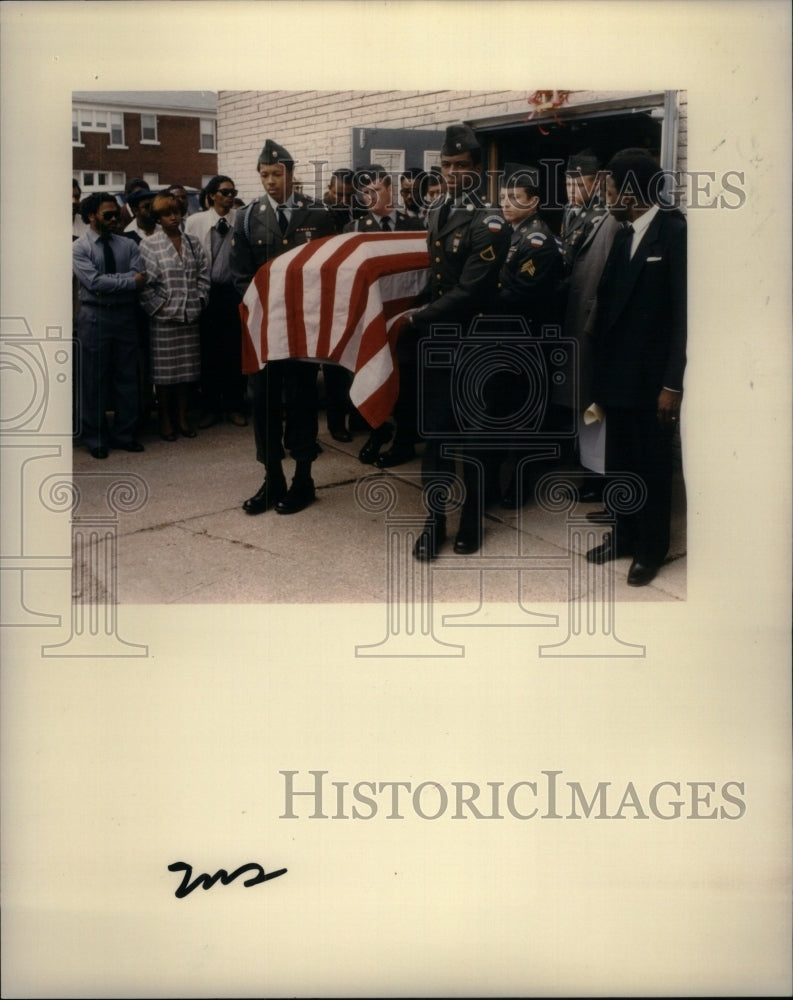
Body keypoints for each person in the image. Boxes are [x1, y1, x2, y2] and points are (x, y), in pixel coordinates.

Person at [402, 124, 511, 559]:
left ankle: (471, 520)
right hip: (441, 342)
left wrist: (419, 317)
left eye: (461, 166)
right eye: (446, 165)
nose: (452, 173)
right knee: (438, 437)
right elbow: (438, 277)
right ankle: (434, 521)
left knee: (477, 439)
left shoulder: (491, 220)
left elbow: (471, 290)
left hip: (476, 341)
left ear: (478, 169)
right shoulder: (436, 211)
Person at [586, 148, 687, 587]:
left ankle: (650, 548)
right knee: (620, 463)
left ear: (629, 192)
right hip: (617, 376)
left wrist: (672, 384)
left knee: (651, 466)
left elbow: (683, 316)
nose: (605, 197)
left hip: (652, 382)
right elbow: (609, 307)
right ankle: (624, 535)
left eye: (608, 189)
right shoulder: (624, 234)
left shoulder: (674, 232)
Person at [230, 138, 337, 515]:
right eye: (264, 175)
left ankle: (303, 479)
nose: (270, 181)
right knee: (264, 403)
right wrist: (266, 307)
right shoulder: (245, 218)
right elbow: (239, 274)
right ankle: (272, 477)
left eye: (277, 174)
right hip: (264, 330)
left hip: (303, 331)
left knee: (303, 400)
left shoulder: (319, 215)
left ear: (291, 174)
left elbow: (331, 271)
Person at [492, 162, 565, 508]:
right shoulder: (510, 233)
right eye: (503, 197)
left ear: (533, 202)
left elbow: (521, 290)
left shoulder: (537, 239)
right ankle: (502, 482)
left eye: (514, 198)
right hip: (506, 341)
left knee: (524, 420)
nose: (505, 203)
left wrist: (487, 286)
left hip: (528, 342)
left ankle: (519, 488)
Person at [344, 168, 427, 465]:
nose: (370, 197)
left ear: (390, 190)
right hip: (371, 322)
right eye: (365, 192)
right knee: (373, 375)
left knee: (405, 382)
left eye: (376, 190)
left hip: (406, 322)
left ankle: (404, 439)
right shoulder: (354, 229)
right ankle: (378, 431)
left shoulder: (414, 224)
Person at [72, 192, 147, 457]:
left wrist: (112, 280)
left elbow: (141, 277)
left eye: (116, 214)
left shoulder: (127, 245)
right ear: (92, 216)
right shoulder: (80, 248)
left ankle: (125, 433)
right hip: (95, 317)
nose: (115, 219)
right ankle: (96, 437)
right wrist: (126, 280)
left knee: (127, 376)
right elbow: (94, 283)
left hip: (124, 315)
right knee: (93, 379)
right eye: (108, 215)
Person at [139, 193, 210, 441]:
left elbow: (203, 274)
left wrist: (200, 300)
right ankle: (165, 420)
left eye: (176, 212)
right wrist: (161, 308)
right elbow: (145, 284)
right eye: (167, 213)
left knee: (186, 374)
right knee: (165, 377)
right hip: (163, 319)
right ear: (158, 218)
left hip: (190, 316)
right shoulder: (150, 244)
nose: (173, 217)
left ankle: (182, 417)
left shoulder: (192, 242)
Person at [184, 175, 247, 428]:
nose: (230, 196)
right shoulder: (195, 222)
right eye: (225, 192)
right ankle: (210, 407)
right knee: (209, 352)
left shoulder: (241, 220)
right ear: (212, 196)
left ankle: (235, 406)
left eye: (233, 192)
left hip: (233, 293)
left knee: (235, 351)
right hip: (207, 292)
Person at [560, 150, 604, 274]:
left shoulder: (598, 217)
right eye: (568, 184)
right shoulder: (569, 209)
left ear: (595, 184)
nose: (571, 191)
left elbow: (592, 267)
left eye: (579, 185)